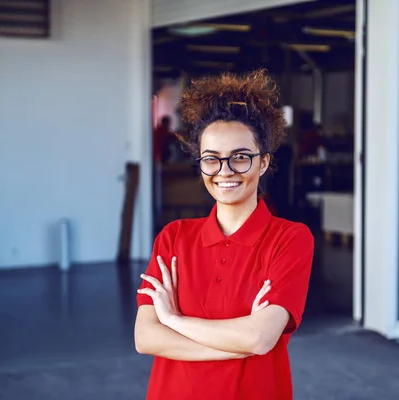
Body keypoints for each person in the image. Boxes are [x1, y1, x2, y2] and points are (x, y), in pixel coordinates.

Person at [134, 69, 315, 400]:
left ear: (263, 163)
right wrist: (238, 345)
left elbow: (260, 338)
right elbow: (146, 337)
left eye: (241, 158)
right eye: (211, 160)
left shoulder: (290, 239)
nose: (225, 171)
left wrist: (173, 319)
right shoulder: (173, 238)